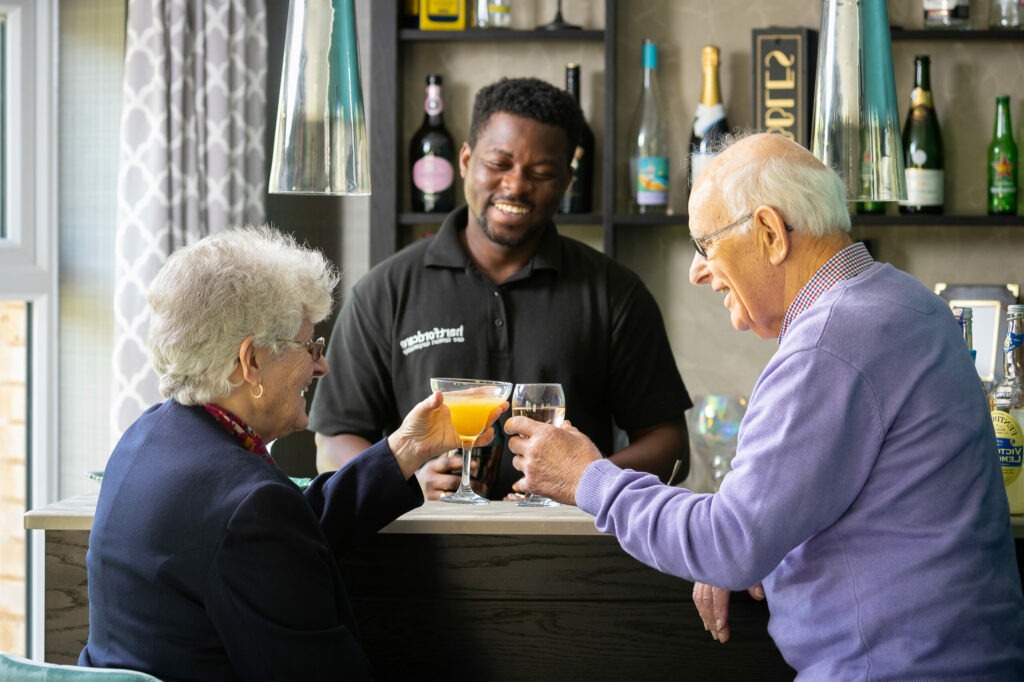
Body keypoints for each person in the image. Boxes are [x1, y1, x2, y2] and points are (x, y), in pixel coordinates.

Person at [505, 132, 1024, 678]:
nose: (697, 271)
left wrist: (587, 478)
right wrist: (761, 549)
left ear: (771, 233)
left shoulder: (831, 341)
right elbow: (848, 512)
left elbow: (730, 542)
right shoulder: (909, 302)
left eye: (705, 245)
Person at [79, 226, 501, 680]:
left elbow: (283, 531)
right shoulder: (250, 508)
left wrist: (408, 447)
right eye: (309, 346)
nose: (322, 365)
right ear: (251, 362)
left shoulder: (148, 435)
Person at [309, 77, 692, 500]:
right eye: (499, 164)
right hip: (417, 555)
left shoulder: (614, 293)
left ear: (567, 180)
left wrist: (581, 482)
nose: (515, 185)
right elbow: (332, 441)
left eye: (542, 173)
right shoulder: (385, 291)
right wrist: (402, 479)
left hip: (571, 556)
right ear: (466, 160)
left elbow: (669, 443)